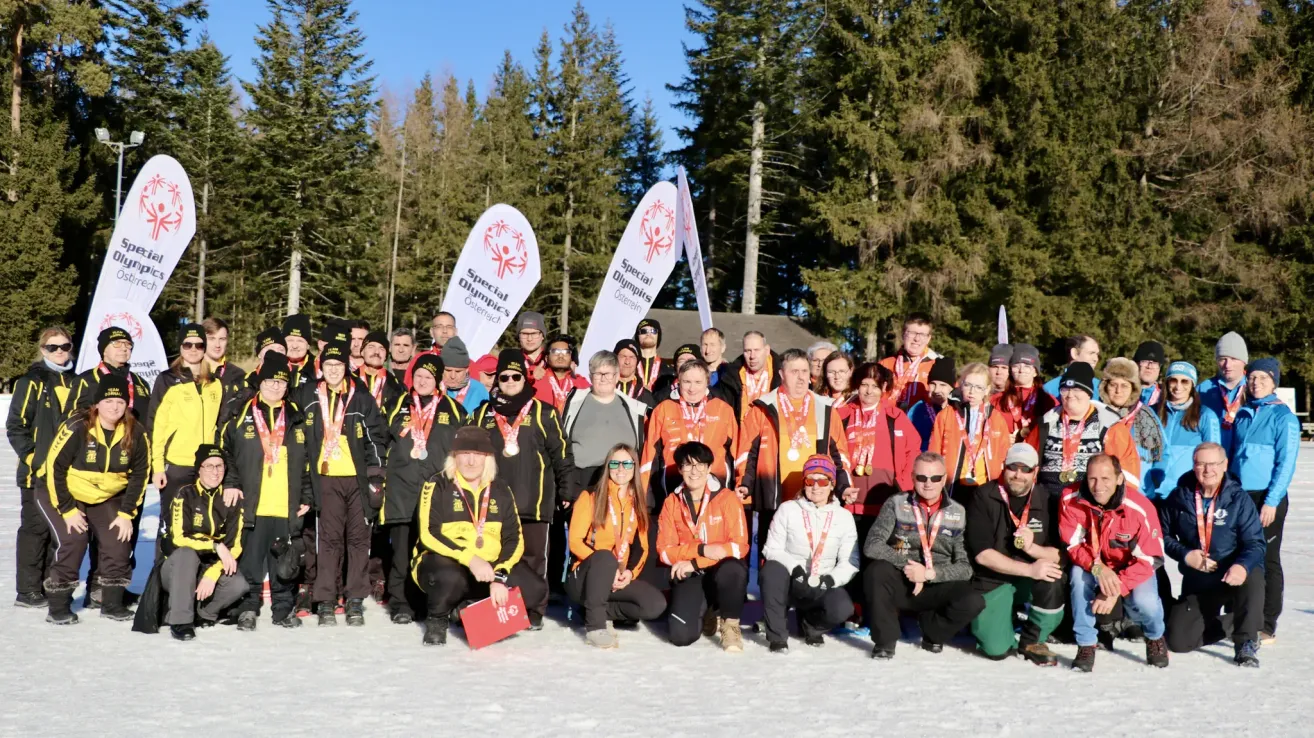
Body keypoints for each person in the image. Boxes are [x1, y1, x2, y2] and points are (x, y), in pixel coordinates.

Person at [469, 349, 574, 629]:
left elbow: (561, 453)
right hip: (494, 504)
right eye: (504, 376)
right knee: (497, 557)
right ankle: (496, 609)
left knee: (533, 559)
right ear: (497, 380)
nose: (510, 381)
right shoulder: (483, 414)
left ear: (525, 379)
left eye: (516, 375)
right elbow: (467, 452)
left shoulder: (544, 412)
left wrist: (567, 489)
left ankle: (534, 609)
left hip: (534, 501)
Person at [411, 426, 543, 646]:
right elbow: (429, 534)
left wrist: (500, 575)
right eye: (464, 454)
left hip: (489, 567)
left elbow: (514, 538)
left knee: (535, 589)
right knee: (450, 579)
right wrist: (470, 559)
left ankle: (464, 610)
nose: (471, 461)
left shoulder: (501, 489)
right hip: (448, 562)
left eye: (478, 454)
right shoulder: (437, 484)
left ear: (488, 458)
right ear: (454, 457)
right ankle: (438, 618)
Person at [40, 375, 149, 624]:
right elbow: (53, 468)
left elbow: (140, 475)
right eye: (108, 400)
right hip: (63, 492)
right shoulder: (77, 426)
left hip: (106, 495)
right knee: (74, 539)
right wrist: (67, 510)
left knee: (119, 540)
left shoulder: (136, 432)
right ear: (97, 403)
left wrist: (126, 514)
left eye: (120, 401)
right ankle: (58, 604)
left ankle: (110, 602)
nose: (114, 407)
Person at [218, 355, 312, 630]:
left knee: (283, 563)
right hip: (252, 502)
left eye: (281, 382)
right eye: (271, 381)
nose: (276, 387)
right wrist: (232, 482)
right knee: (250, 561)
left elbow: (307, 460)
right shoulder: (241, 412)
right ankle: (247, 608)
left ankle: (283, 609)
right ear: (260, 381)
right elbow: (226, 452)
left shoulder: (296, 415)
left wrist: (306, 495)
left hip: (285, 502)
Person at [861, 452, 985, 659]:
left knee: (973, 601)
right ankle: (885, 641)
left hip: (936, 581)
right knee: (876, 571)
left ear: (944, 479)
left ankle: (933, 631)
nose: (928, 484)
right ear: (912, 477)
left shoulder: (959, 512)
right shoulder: (896, 503)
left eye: (935, 478)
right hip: (903, 579)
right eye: (921, 478)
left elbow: (965, 567)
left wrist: (928, 574)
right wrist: (908, 567)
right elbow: (872, 546)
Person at [302, 342, 388, 627]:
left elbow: (377, 437)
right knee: (328, 540)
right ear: (321, 368)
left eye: (338, 366)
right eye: (328, 366)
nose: (334, 370)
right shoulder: (308, 395)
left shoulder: (360, 397)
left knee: (358, 539)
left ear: (346, 368)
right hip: (325, 478)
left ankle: (354, 598)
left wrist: (376, 477)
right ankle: (326, 599)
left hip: (356, 479)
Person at [1059, 454, 1168, 672]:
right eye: (1092, 479)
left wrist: (1115, 587)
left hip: (1132, 566)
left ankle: (1155, 636)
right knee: (1078, 580)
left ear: (1119, 478)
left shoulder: (1140, 507)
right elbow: (1073, 545)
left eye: (1106, 478)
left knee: (1145, 601)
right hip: (1093, 563)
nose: (1098, 486)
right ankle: (1086, 643)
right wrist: (1098, 569)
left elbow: (1150, 557)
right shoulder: (1070, 498)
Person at [1160, 443, 1265, 667]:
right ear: (1193, 466)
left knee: (1254, 574)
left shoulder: (1239, 499)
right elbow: (1162, 536)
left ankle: (1246, 639)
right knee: (1178, 641)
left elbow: (1256, 543)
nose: (1208, 470)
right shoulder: (1179, 498)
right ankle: (1239, 622)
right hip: (1199, 579)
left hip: (1233, 575)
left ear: (1225, 465)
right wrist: (1185, 555)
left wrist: (1241, 566)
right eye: (1201, 464)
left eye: (1213, 464)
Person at [737, 349, 850, 552]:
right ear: (781, 374)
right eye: (794, 371)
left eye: (805, 371)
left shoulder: (825, 408)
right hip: (774, 498)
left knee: (810, 558)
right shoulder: (762, 408)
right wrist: (744, 483)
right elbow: (747, 453)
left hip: (814, 498)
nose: (800, 377)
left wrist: (845, 485)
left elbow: (839, 454)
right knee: (772, 559)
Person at [381, 353, 466, 624]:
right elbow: (380, 443)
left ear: (438, 380)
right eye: (418, 376)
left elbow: (463, 453)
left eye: (428, 377)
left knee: (434, 553)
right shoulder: (396, 405)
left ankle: (432, 603)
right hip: (401, 491)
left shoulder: (454, 410)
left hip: (436, 494)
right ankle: (401, 603)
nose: (422, 381)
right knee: (402, 552)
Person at [965, 444, 1064, 665]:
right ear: (1003, 467)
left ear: (1035, 472)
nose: (1018, 475)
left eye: (1025, 469)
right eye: (1012, 467)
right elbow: (982, 555)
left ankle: (1033, 640)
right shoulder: (983, 496)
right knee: (996, 649)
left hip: (1028, 581)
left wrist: (1033, 550)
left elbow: (1059, 554)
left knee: (1054, 575)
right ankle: (998, 621)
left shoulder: (1047, 500)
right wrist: (1029, 569)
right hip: (993, 579)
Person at [562, 351, 650, 591]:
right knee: (583, 536)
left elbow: (639, 447)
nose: (603, 378)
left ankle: (616, 585)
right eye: (598, 373)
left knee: (617, 535)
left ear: (617, 375)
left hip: (619, 478)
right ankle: (581, 588)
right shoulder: (575, 402)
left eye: (609, 373)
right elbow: (563, 445)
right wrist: (566, 486)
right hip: (583, 478)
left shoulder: (631, 407)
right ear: (590, 375)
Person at [567, 444, 667, 648]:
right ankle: (595, 626)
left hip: (617, 578)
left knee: (655, 605)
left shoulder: (637, 503)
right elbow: (575, 541)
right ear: (608, 466)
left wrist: (629, 573)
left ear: (634, 467)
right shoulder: (590, 497)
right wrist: (607, 569)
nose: (621, 469)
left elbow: (642, 548)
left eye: (627, 463)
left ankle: (594, 608)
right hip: (586, 577)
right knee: (604, 556)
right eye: (615, 463)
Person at [1229, 357, 1298, 644]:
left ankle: (1267, 622)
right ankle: (1241, 615)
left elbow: (1286, 463)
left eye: (1263, 378)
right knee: (1239, 555)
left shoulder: (1283, 417)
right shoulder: (1244, 414)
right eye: (1253, 377)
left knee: (1267, 558)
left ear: (1274, 382)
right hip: (1241, 496)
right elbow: (1234, 457)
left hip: (1267, 498)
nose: (1256, 382)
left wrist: (1272, 500)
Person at [7, 326, 77, 608]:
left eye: (64, 346)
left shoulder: (77, 381)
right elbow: (16, 426)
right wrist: (34, 458)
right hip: (37, 473)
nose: (59, 352)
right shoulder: (31, 381)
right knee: (35, 530)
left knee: (58, 532)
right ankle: (27, 590)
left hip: (69, 473)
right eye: (52, 347)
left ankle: (50, 584)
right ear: (42, 350)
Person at [656, 441, 750, 651]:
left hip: (718, 571)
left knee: (733, 568)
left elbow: (738, 547)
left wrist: (697, 561)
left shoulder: (727, 499)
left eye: (700, 465)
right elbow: (665, 551)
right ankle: (708, 611)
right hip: (691, 574)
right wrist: (700, 550)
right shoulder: (672, 502)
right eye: (688, 465)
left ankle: (730, 625)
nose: (694, 471)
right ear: (680, 469)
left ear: (709, 468)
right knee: (681, 636)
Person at [760, 455, 858, 653]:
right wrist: (794, 568)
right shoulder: (787, 509)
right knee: (771, 571)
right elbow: (771, 548)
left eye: (822, 481)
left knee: (842, 608)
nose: (816, 487)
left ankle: (811, 626)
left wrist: (830, 580)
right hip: (792, 581)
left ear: (831, 485)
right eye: (810, 481)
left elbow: (851, 561)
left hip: (821, 581)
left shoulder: (844, 517)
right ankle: (778, 637)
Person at [157, 445, 248, 641]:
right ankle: (180, 620)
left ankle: (204, 614)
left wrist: (213, 572)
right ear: (199, 469)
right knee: (186, 554)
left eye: (220, 466)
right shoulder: (185, 494)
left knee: (239, 584)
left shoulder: (231, 498)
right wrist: (215, 545)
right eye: (209, 466)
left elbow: (235, 545)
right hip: (178, 568)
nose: (215, 472)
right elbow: (179, 538)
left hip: (210, 565)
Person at [147, 323, 225, 550]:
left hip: (205, 467)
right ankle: (162, 578)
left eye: (199, 345)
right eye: (187, 344)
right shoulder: (167, 379)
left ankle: (195, 577)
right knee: (170, 523)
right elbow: (156, 425)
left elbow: (218, 425)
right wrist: (158, 466)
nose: (193, 349)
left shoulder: (214, 383)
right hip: (177, 464)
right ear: (180, 347)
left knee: (201, 523)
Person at [838, 363, 919, 549]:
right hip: (850, 504)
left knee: (876, 556)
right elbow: (831, 454)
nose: (869, 391)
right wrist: (840, 487)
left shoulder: (895, 417)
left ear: (883, 387)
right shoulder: (841, 416)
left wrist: (903, 486)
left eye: (875, 386)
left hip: (885, 505)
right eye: (865, 384)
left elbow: (913, 451)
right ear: (857, 385)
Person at [641, 359, 739, 507]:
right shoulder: (663, 409)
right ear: (678, 381)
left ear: (707, 382)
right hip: (673, 487)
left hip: (716, 488)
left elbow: (736, 453)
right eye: (687, 382)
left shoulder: (723, 409)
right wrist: (645, 494)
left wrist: (741, 483)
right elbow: (650, 456)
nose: (692, 388)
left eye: (698, 382)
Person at [1035, 362, 1140, 492]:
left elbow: (1128, 473)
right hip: (1046, 499)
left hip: (1087, 501)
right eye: (1065, 389)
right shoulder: (1047, 422)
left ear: (1088, 394)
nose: (1070, 395)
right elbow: (1030, 464)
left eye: (1077, 389)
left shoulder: (1110, 425)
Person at [928, 362, 1011, 503]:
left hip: (985, 485)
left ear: (987, 390)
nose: (972, 391)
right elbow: (934, 452)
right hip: (952, 484)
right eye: (968, 385)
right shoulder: (946, 415)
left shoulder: (996, 419)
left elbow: (1004, 455)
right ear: (960, 385)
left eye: (979, 387)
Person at [1151, 362, 1221, 498]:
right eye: (1173, 380)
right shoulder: (1152, 413)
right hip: (1152, 491)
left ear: (1192, 385)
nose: (1178, 386)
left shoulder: (1205, 415)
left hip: (1186, 492)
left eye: (1185, 381)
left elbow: (1213, 456)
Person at [1099, 357, 1165, 491]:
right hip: (1102, 490)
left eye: (1124, 386)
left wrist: (1153, 481)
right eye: (1113, 385)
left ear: (1133, 388)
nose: (1118, 391)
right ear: (1105, 386)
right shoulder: (1096, 414)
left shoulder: (1146, 415)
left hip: (1139, 490)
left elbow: (1163, 452)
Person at [70, 326, 151, 419]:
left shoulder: (140, 382)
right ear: (104, 350)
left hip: (137, 433)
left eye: (128, 344)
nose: (124, 348)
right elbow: (71, 418)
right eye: (117, 343)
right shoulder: (86, 380)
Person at [989, 344, 1054, 447]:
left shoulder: (1049, 401)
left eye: (1027, 366)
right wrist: (1000, 437)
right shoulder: (995, 400)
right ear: (1011, 370)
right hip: (1004, 454)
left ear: (1035, 372)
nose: (1021, 370)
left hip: (1035, 456)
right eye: (1016, 366)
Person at [714, 331, 780, 422]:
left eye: (757, 350)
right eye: (748, 351)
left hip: (771, 432)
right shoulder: (730, 377)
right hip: (742, 433)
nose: (752, 356)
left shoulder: (782, 374)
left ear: (767, 350)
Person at [1198, 331, 1249, 452]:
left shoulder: (1254, 389)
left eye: (1233, 358)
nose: (1227, 364)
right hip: (1211, 461)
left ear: (1244, 361)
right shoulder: (1202, 389)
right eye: (1222, 359)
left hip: (1242, 461)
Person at [879, 314, 941, 411]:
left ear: (928, 338)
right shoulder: (884, 365)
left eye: (922, 335)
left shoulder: (938, 365)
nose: (917, 339)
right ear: (903, 334)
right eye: (912, 333)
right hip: (887, 420)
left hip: (922, 423)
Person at [906, 356, 954, 451]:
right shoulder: (918, 409)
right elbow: (907, 442)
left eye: (943, 385)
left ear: (952, 388)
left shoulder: (957, 410)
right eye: (933, 384)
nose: (936, 390)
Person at [534, 334, 590, 413]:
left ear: (571, 357)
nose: (560, 356)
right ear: (546, 358)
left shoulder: (581, 383)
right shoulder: (536, 380)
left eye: (566, 352)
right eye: (555, 352)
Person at [436, 337, 489, 414]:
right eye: (448, 370)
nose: (453, 376)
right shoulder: (433, 387)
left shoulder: (478, 390)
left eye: (458, 371)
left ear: (467, 370)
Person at [203, 317, 248, 408]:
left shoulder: (239, 375)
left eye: (222, 339)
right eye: (212, 339)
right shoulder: (192, 371)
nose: (217, 345)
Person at [1042, 334, 1102, 400]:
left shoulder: (1101, 388)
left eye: (1097, 354)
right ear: (1074, 353)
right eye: (1091, 353)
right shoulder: (1049, 390)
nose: (1096, 359)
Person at [357, 331, 405, 411]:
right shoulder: (349, 380)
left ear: (386, 356)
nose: (376, 352)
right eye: (371, 347)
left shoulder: (396, 385)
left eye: (381, 348)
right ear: (362, 352)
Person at [613, 339, 656, 409]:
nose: (627, 362)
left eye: (632, 357)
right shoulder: (605, 389)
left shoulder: (645, 395)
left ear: (637, 361)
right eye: (623, 356)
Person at [635, 317, 673, 392]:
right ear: (637, 336)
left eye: (653, 331)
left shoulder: (669, 370)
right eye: (643, 331)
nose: (648, 334)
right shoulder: (628, 365)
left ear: (658, 336)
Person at [281, 314, 316, 391]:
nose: (294, 346)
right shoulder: (271, 365)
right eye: (290, 340)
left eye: (300, 341)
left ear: (308, 345)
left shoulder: (318, 367)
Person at [517, 311, 549, 382]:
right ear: (518, 336)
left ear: (542, 335)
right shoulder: (512, 359)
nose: (529, 339)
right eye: (524, 334)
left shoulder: (552, 359)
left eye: (534, 334)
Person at [1134, 341, 1166, 407]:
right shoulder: (1122, 392)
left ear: (1159, 368)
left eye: (1155, 363)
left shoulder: (1165, 399)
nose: (1149, 366)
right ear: (1136, 364)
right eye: (1145, 361)